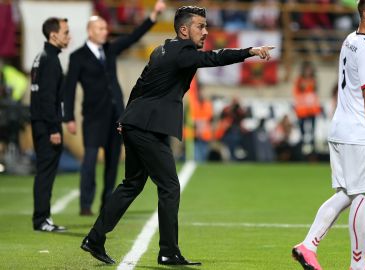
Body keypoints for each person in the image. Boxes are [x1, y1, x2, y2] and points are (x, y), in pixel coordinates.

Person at [80, 4, 274, 266]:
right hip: (148, 127)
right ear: (184, 30)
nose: (205, 32)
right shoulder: (183, 51)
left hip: (137, 122)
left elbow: (140, 84)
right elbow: (213, 58)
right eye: (200, 26)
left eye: (205, 26)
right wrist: (248, 51)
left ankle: (95, 238)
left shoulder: (162, 48)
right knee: (169, 186)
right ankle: (168, 251)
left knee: (132, 184)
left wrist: (125, 118)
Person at [292, 1, 365, 270]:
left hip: (342, 128)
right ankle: (358, 264)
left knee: (347, 193)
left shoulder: (350, 40)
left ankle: (308, 245)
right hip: (359, 134)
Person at [63, 0, 165, 216]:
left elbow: (132, 37)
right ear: (90, 31)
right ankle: (85, 204)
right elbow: (69, 89)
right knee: (89, 162)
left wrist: (153, 16)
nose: (105, 31)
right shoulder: (77, 57)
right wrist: (69, 117)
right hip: (93, 117)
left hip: (116, 115)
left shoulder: (110, 49)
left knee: (112, 164)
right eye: (100, 28)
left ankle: (106, 204)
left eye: (105, 28)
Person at [30, 17, 71, 232]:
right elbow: (47, 99)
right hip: (47, 126)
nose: (69, 36)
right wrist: (54, 128)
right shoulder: (50, 60)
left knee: (44, 172)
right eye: (65, 32)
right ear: (53, 35)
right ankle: (41, 219)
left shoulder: (42, 57)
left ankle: (42, 218)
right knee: (46, 173)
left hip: (40, 123)